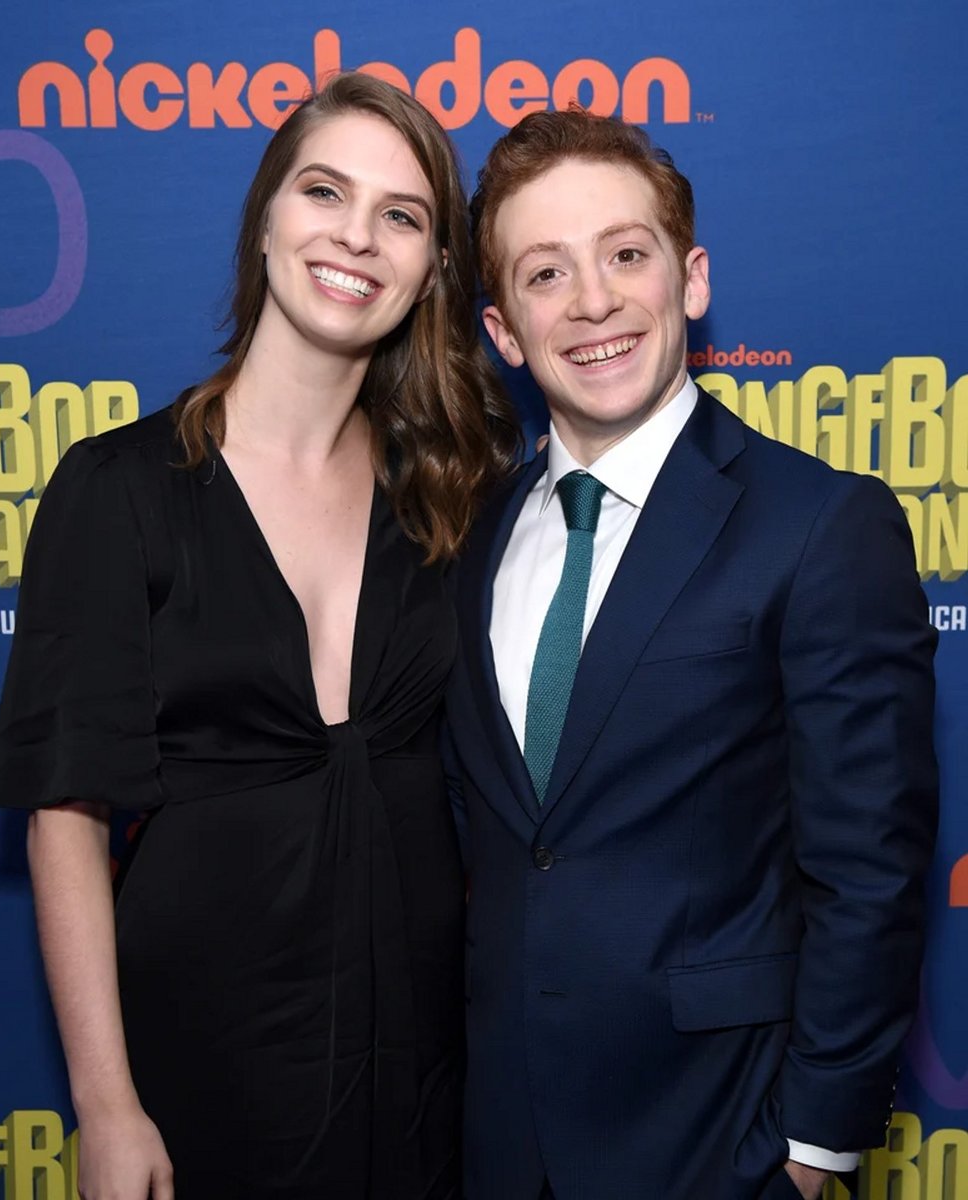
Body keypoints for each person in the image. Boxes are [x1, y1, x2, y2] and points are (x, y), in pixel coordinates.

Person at [0, 72, 517, 1200]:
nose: (357, 238)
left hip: (424, 1056)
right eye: (325, 192)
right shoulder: (117, 488)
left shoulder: (455, 496)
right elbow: (65, 817)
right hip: (202, 1053)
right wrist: (106, 1107)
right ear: (266, 217)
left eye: (403, 216)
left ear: (432, 271)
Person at [443, 107, 938, 1200]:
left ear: (691, 278)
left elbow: (869, 869)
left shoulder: (819, 524)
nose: (594, 302)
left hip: (722, 1140)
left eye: (626, 255)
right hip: (497, 1143)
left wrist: (811, 1150)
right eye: (545, 274)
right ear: (504, 332)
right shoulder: (473, 535)